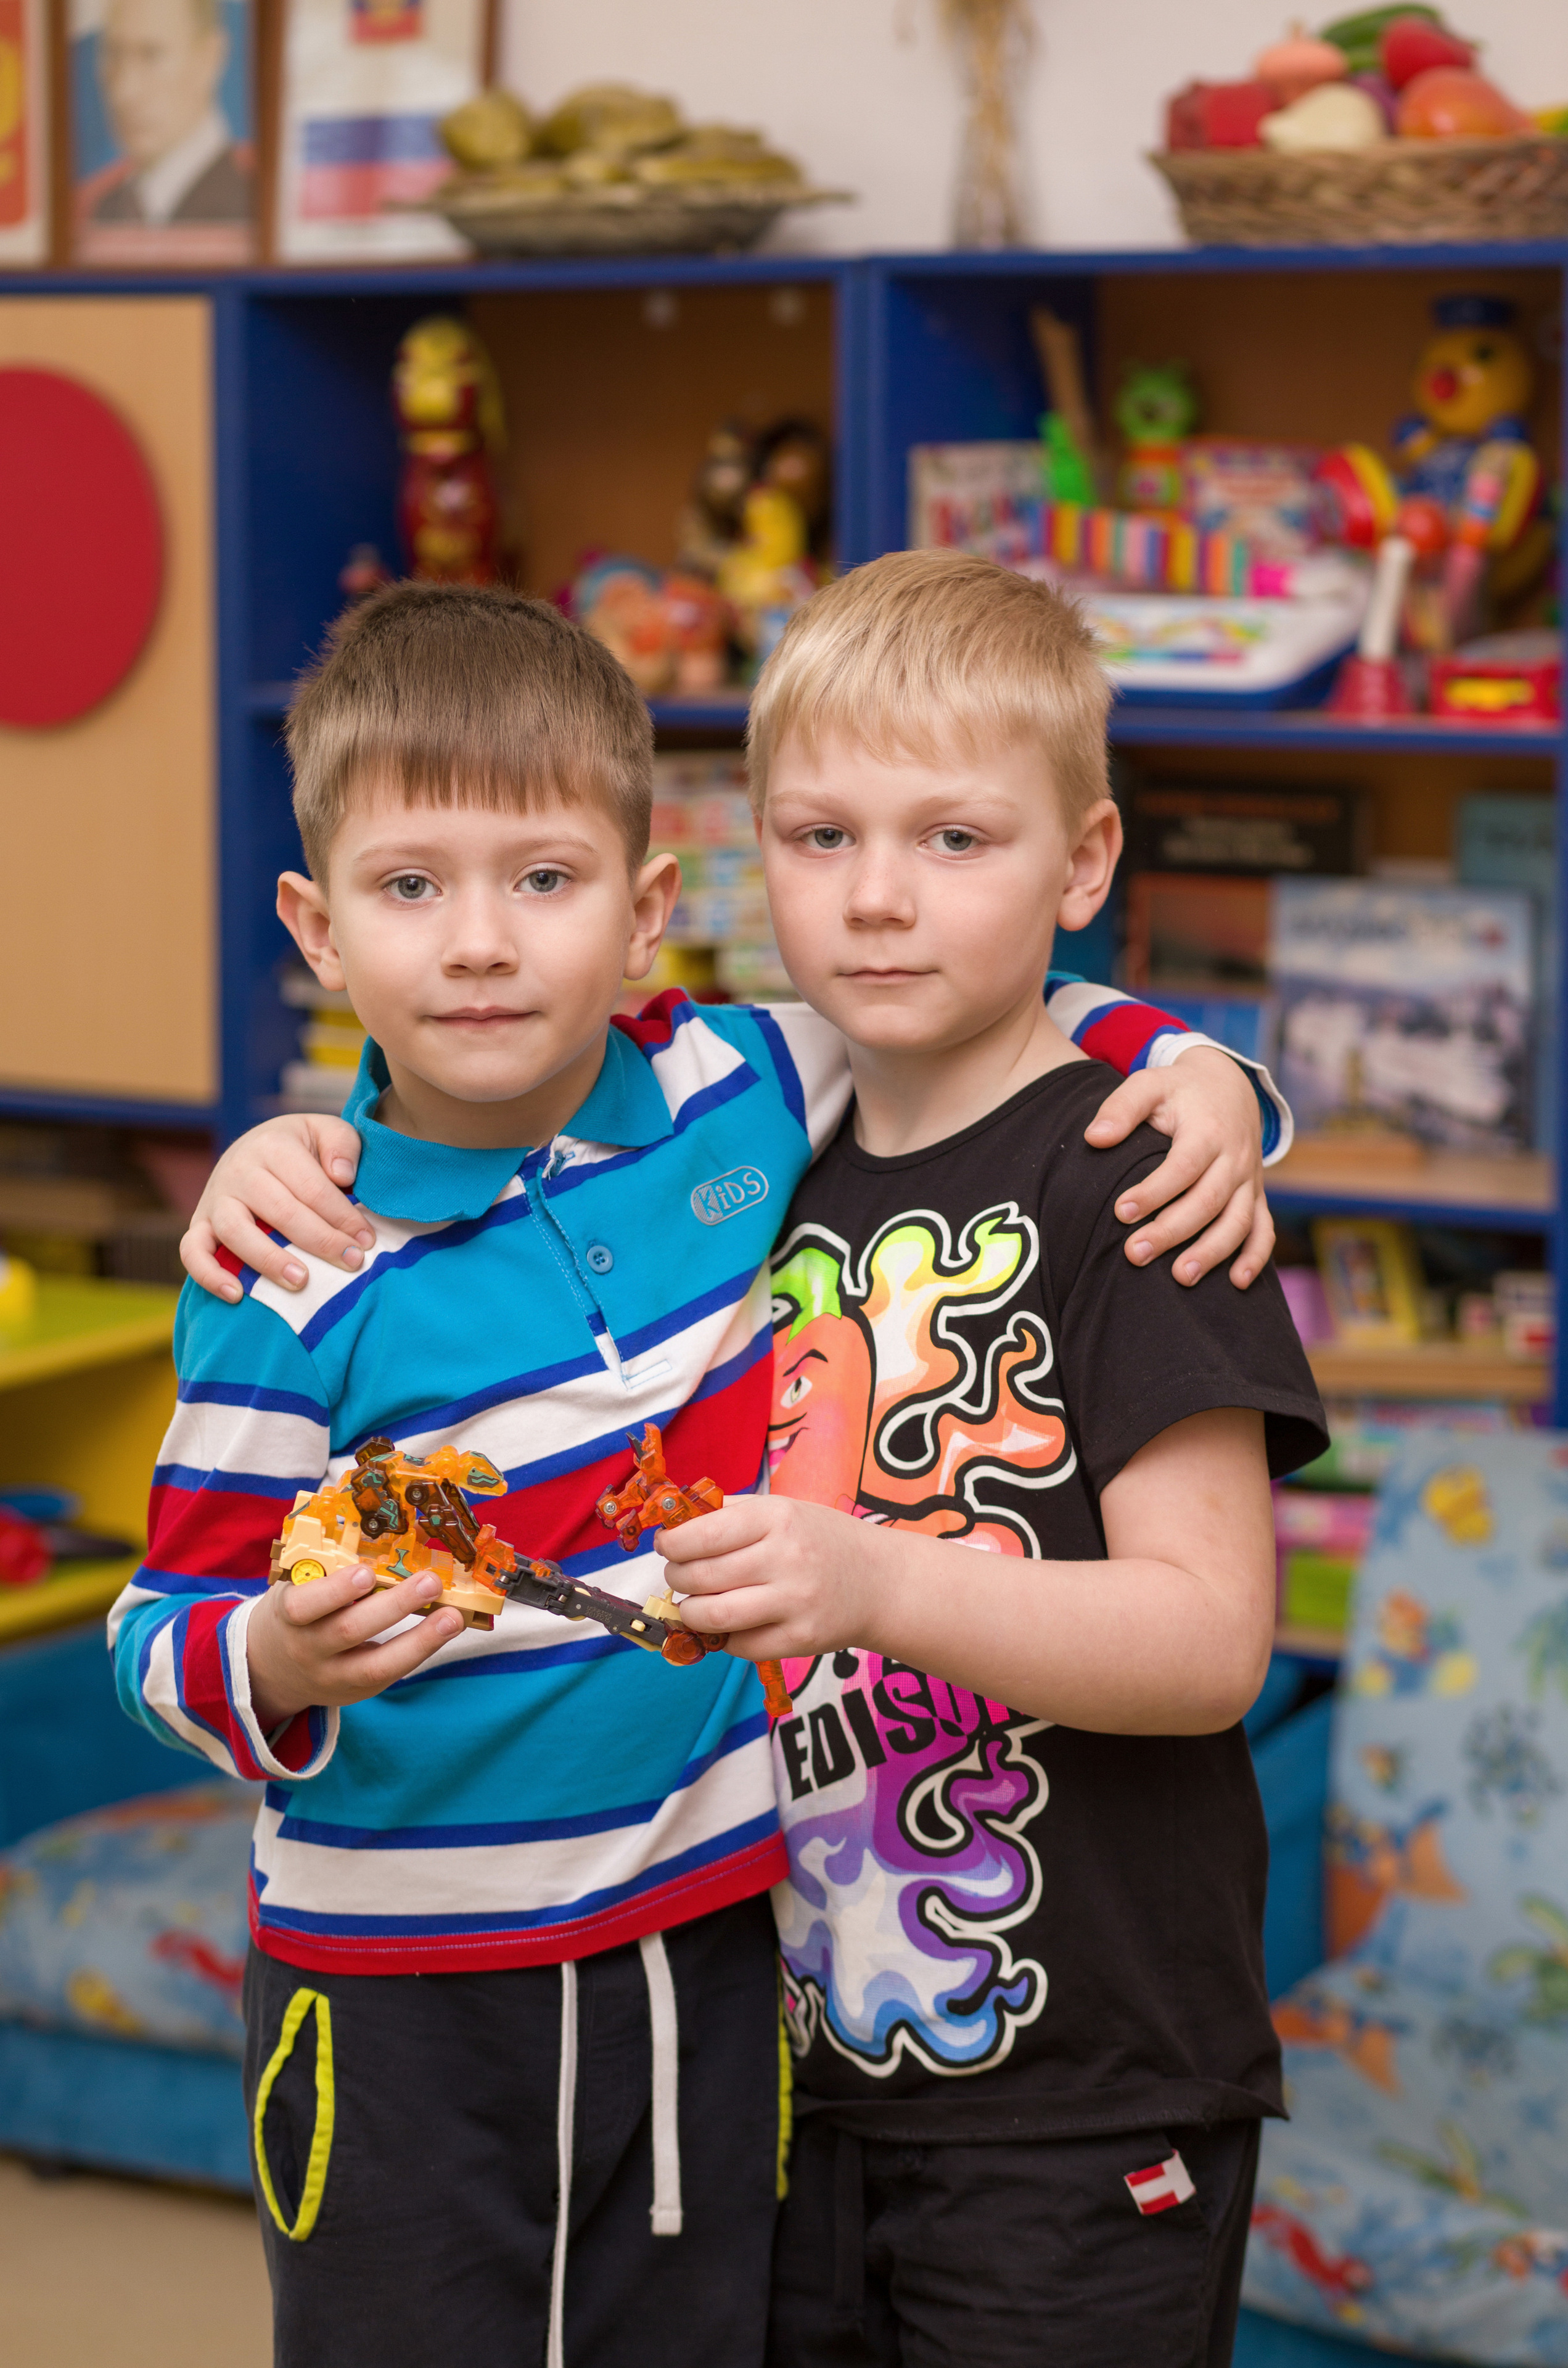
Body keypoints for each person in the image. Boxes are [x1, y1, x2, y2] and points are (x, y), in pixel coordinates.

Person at [158, 578, 1286, 2368]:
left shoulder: (827, 1107)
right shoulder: (359, 1233)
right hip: (592, 2012)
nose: (477, 944)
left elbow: (1038, 1019)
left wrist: (1210, 1073)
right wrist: (279, 1652)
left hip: (887, 2021)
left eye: (542, 881)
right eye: (824, 839)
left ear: (645, 910)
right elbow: (182, 1608)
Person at [641, 550, 1329, 2367]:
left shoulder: (1137, 1180)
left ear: (1082, 864)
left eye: (954, 839)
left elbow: (1204, 1643)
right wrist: (292, 1160)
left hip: (1082, 2098)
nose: (877, 897)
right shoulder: (741, 1163)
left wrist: (872, 1576)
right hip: (782, 2072)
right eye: (817, 835)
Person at [85, 0, 250, 228]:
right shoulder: (104, 209)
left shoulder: (247, 204)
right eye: (114, 53)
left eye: (151, 55)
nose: (124, 91)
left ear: (209, 58)